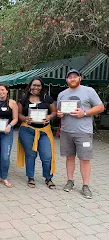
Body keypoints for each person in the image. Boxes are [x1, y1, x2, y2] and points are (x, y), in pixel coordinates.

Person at [57, 69, 104, 199]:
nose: (72, 79)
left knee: (84, 159)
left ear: (80, 78)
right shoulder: (62, 94)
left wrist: (83, 113)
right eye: (69, 77)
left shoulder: (89, 91)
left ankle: (85, 186)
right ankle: (70, 181)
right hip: (66, 131)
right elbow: (59, 111)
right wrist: (59, 114)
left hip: (83, 132)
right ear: (66, 80)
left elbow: (100, 107)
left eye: (75, 77)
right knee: (69, 157)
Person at [17, 77, 57, 189]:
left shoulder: (47, 99)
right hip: (27, 131)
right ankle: (30, 177)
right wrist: (25, 118)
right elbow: (18, 114)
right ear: (30, 86)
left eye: (38, 85)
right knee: (31, 155)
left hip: (44, 132)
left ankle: (48, 178)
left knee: (47, 156)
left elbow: (54, 112)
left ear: (41, 87)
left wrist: (50, 116)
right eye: (34, 85)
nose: (36, 87)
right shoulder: (24, 99)